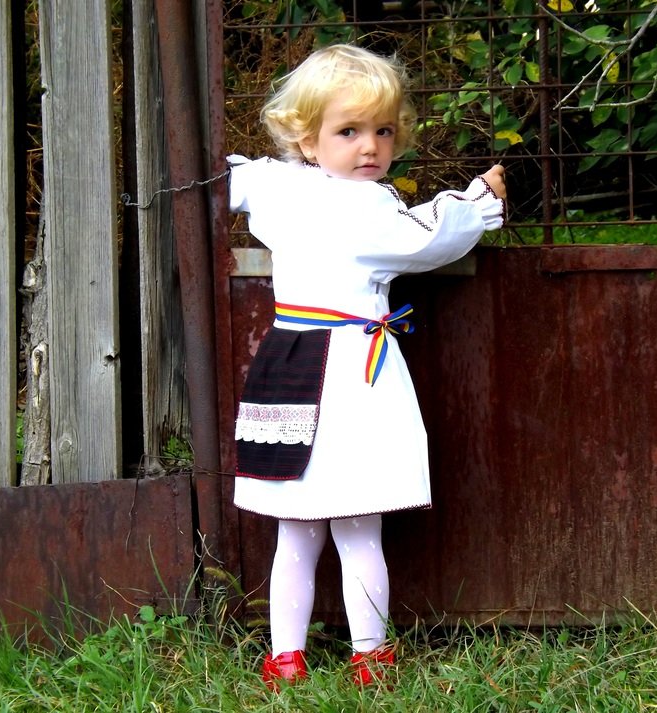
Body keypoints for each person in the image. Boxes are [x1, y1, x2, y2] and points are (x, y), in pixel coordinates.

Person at [226, 43, 507, 689]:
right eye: (349, 131)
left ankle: (289, 659)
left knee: (298, 527)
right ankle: (368, 654)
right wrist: (478, 199)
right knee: (355, 527)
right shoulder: (373, 208)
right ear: (307, 136)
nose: (369, 147)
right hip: (351, 373)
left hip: (290, 362)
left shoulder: (275, 187)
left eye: (382, 130)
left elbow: (229, 179)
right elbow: (430, 235)